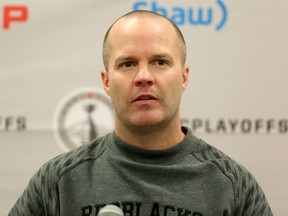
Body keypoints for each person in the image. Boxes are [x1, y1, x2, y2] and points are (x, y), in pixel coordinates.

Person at [9, 10, 273, 216]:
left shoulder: (231, 184)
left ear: (183, 77)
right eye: (127, 64)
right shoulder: (60, 180)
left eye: (160, 62)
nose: (144, 76)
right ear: (106, 81)